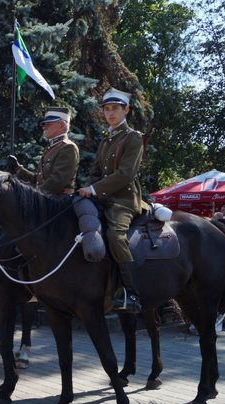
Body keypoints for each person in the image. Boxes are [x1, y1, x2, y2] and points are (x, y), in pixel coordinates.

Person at [78, 87, 147, 314]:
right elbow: (97, 171)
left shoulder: (133, 138)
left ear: (126, 110)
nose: (110, 113)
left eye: (115, 108)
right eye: (107, 109)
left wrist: (95, 188)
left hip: (124, 200)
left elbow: (126, 174)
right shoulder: (106, 140)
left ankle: (132, 293)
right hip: (103, 197)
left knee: (115, 236)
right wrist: (88, 188)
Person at [14, 107, 80, 195]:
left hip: (58, 202)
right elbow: (39, 181)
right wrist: (18, 169)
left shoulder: (68, 148)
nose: (44, 127)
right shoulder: (51, 147)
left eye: (48, 123)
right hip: (45, 198)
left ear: (62, 125)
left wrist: (33, 194)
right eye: (44, 124)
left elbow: (57, 181)